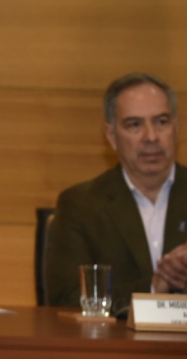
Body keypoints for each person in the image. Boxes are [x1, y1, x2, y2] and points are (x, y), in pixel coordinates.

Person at [46, 72, 187, 312]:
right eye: (135, 125)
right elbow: (67, 299)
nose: (151, 137)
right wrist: (155, 287)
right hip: (115, 346)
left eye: (161, 122)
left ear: (176, 127)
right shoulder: (81, 205)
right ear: (111, 136)